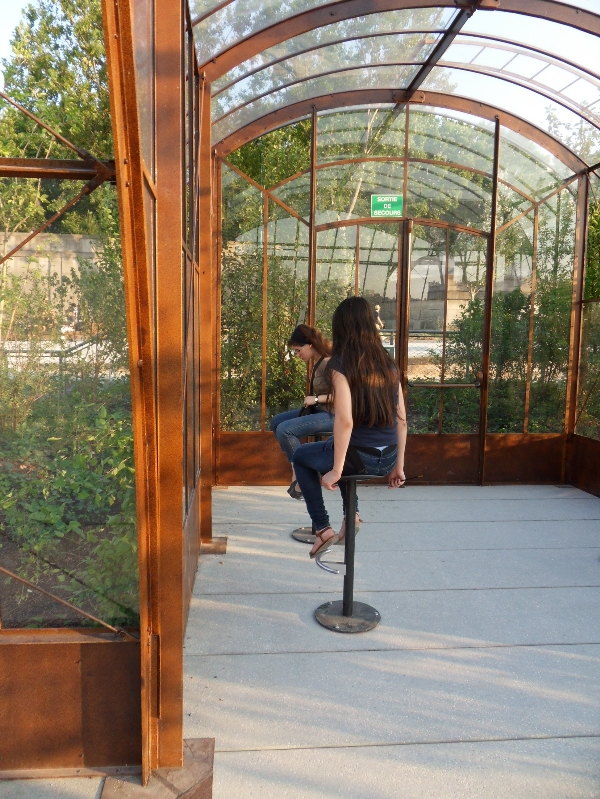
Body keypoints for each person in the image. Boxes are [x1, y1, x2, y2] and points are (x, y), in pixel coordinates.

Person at [292, 296, 407, 559]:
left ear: (340, 327)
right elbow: (401, 419)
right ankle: (351, 516)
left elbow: (345, 421)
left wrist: (335, 470)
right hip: (388, 458)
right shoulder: (388, 363)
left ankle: (323, 529)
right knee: (340, 452)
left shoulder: (340, 364)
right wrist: (398, 466)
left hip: (359, 457)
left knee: (302, 456)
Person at [270, 324, 334, 500]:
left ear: (310, 344)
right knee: (276, 422)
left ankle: (301, 475)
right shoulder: (317, 362)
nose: (297, 355)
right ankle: (299, 469)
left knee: (285, 430)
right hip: (320, 411)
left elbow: (344, 395)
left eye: (298, 350)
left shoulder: (329, 363)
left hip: (334, 415)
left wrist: (316, 399)